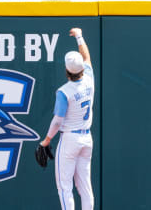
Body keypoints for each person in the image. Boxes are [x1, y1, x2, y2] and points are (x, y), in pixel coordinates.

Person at [38, 27, 95, 210]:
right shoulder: (89, 79)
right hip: (86, 138)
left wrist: (46, 141)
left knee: (65, 188)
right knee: (85, 188)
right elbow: (86, 58)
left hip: (70, 138)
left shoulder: (65, 91)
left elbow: (57, 121)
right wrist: (79, 36)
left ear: (67, 70)